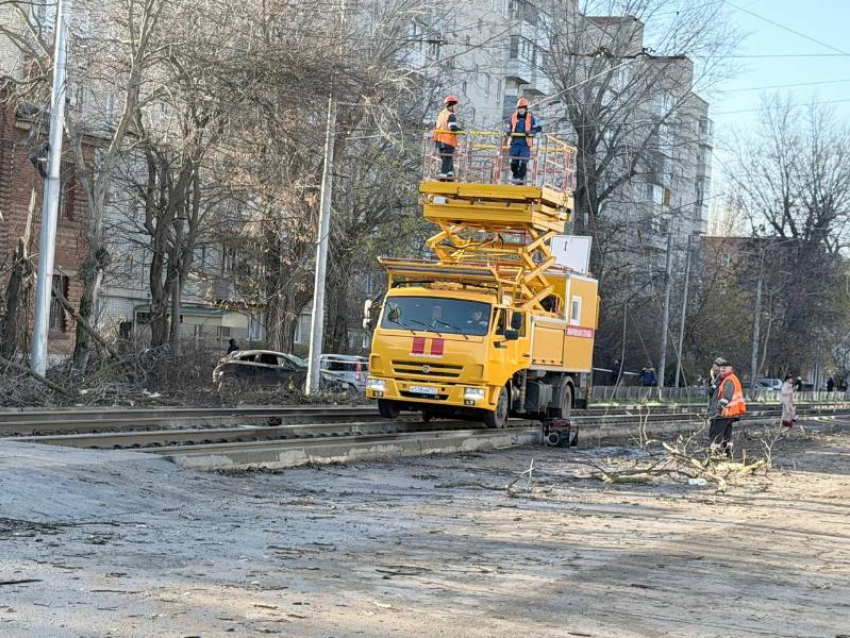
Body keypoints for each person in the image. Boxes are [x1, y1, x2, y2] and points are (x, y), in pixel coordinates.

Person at [707, 357, 747, 457]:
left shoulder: (729, 380)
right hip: (728, 414)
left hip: (723, 413)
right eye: (721, 368)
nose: (722, 370)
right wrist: (713, 378)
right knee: (726, 436)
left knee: (716, 435)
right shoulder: (722, 379)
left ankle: (716, 455)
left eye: (725, 368)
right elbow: (711, 392)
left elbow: (726, 398)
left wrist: (718, 410)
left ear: (730, 369)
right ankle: (728, 454)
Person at [505, 97, 542, 185]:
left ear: (526, 109)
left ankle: (520, 180)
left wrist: (530, 132)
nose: (521, 110)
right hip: (515, 143)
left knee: (523, 162)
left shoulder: (531, 117)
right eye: (520, 108)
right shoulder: (513, 117)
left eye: (523, 108)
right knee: (514, 162)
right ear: (517, 109)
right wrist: (508, 132)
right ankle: (515, 176)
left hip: (525, 144)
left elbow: (536, 128)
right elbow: (509, 127)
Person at [433, 95, 462, 180]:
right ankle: (443, 176)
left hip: (439, 141)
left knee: (447, 159)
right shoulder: (450, 115)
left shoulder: (441, 114)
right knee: (447, 158)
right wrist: (461, 131)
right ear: (451, 105)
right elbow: (452, 127)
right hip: (448, 141)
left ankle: (450, 176)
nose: (456, 108)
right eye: (456, 105)